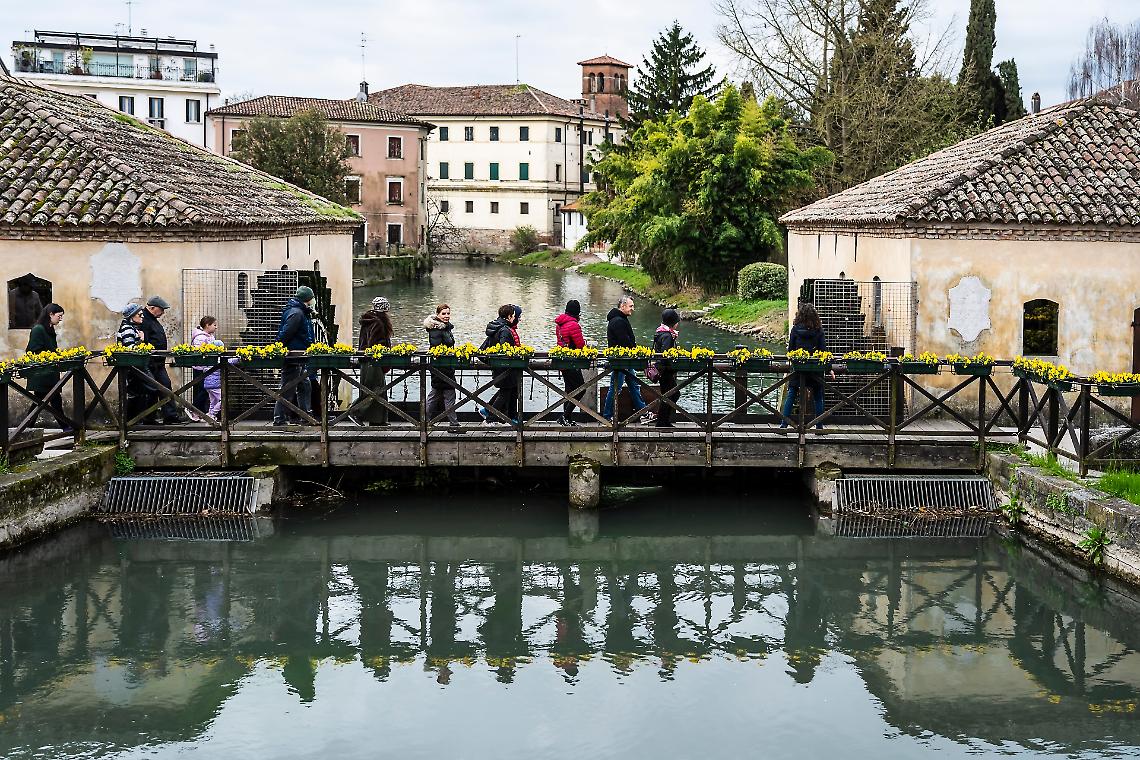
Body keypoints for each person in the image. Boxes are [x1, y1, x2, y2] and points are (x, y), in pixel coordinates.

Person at [780, 302, 836, 430]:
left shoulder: (795, 330)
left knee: (792, 393)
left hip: (798, 368)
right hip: (815, 368)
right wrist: (829, 368)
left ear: (800, 315)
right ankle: (819, 426)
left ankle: (783, 425)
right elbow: (823, 351)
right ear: (815, 316)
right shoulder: (819, 330)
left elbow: (790, 350)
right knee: (818, 396)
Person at [602, 295, 651, 422]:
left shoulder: (619, 319)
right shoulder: (618, 321)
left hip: (625, 360)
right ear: (622, 306)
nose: (632, 309)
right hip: (622, 361)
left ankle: (643, 413)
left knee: (633, 385)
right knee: (615, 388)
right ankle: (607, 416)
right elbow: (625, 341)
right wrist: (635, 351)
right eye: (630, 306)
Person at [140, 295, 187, 425]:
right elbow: (144, 341)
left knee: (165, 387)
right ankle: (149, 418)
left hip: (158, 363)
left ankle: (170, 416)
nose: (163, 312)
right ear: (152, 308)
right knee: (153, 389)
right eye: (161, 309)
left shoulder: (151, 319)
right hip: (150, 362)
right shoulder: (144, 320)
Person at [274, 286, 316, 426]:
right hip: (294, 356)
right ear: (308, 298)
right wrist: (280, 348)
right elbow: (286, 333)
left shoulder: (299, 311)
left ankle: (305, 416)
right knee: (288, 387)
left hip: (300, 355)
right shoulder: (296, 313)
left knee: (305, 385)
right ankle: (279, 419)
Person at [25, 303, 70, 431]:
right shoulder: (38, 329)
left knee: (40, 402)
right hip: (41, 373)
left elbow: (50, 349)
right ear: (50, 314)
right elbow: (33, 350)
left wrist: (58, 355)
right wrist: (51, 356)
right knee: (51, 401)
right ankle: (65, 426)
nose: (60, 319)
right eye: (59, 316)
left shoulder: (49, 329)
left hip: (49, 373)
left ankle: (27, 428)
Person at [424, 303, 462, 432]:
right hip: (441, 366)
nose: (446, 316)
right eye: (443, 314)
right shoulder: (436, 330)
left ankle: (426, 421)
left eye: (448, 313)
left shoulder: (446, 328)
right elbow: (436, 347)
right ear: (438, 315)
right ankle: (453, 424)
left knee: (437, 394)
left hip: (446, 366)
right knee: (447, 394)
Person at [480, 304, 520, 425]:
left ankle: (488, 411)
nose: (515, 318)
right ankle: (490, 418)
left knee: (508, 391)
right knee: (505, 393)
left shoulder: (497, 327)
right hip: (504, 367)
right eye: (513, 316)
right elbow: (505, 349)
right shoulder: (504, 330)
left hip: (500, 366)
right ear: (509, 317)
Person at [358, 296, 394, 426]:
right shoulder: (378, 323)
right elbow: (375, 345)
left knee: (376, 390)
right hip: (373, 362)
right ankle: (355, 413)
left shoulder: (368, 321)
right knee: (376, 390)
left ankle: (377, 421)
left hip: (366, 360)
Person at [116, 303, 152, 424]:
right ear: (132, 316)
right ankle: (132, 422)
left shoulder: (132, 328)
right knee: (140, 391)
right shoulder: (127, 329)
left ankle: (135, 421)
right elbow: (129, 349)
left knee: (138, 392)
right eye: (139, 314)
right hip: (132, 368)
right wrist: (141, 340)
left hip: (135, 367)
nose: (142, 316)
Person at [554, 299, 587, 426]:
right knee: (580, 389)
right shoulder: (573, 325)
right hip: (573, 362)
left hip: (563, 361)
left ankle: (565, 419)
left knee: (569, 390)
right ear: (577, 312)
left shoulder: (560, 324)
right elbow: (580, 345)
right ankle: (565, 416)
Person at [652, 309, 681, 428]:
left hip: (661, 369)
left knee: (668, 394)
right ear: (673, 323)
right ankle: (662, 422)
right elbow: (666, 354)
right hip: (666, 370)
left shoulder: (660, 332)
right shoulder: (667, 335)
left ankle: (663, 421)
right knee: (673, 394)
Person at [188, 316, 217, 418]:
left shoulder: (210, 336)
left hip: (208, 367)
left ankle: (199, 412)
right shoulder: (200, 337)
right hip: (200, 368)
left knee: (205, 390)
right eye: (214, 325)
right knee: (202, 390)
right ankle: (194, 410)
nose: (216, 327)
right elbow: (198, 352)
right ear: (207, 325)